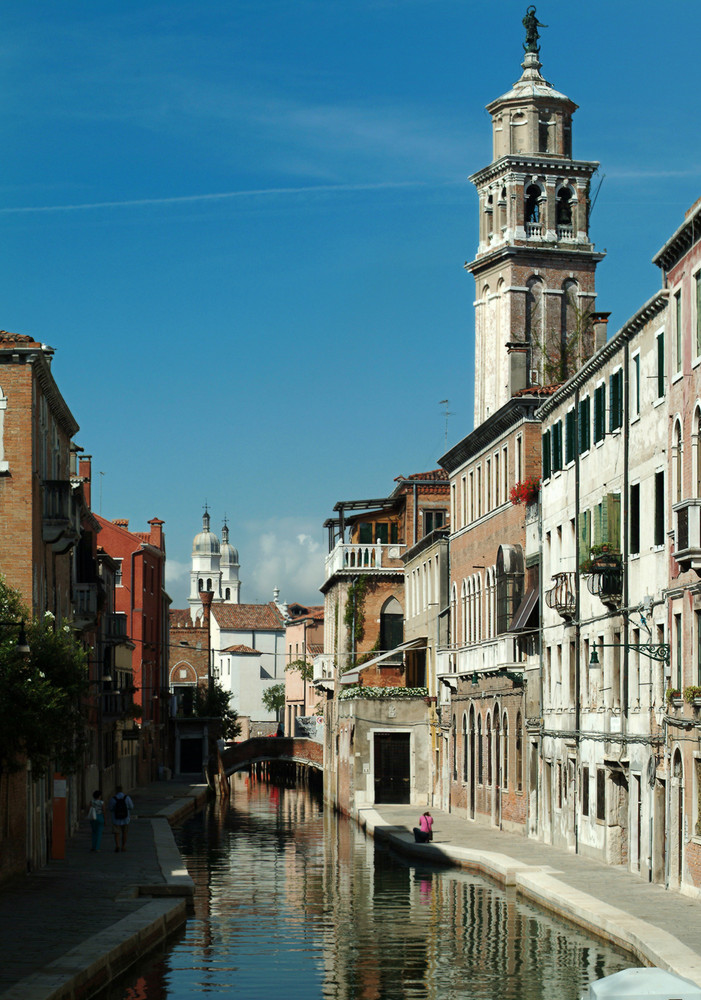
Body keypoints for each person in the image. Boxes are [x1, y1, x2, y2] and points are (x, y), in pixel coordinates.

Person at [108, 785, 134, 852]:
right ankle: (123, 846)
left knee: (117, 833)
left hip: (116, 819)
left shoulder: (113, 799)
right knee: (125, 832)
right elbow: (131, 807)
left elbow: (110, 808)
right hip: (125, 819)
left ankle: (117, 846)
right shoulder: (127, 798)